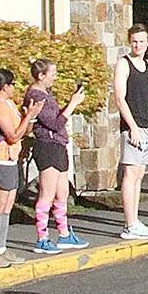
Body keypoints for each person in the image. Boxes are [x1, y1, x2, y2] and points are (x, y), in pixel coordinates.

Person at [23, 59, 88, 254]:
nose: (55, 77)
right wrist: (72, 104)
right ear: (41, 76)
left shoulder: (46, 93)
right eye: (52, 74)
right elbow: (54, 124)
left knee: (62, 192)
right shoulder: (36, 96)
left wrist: (70, 103)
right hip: (47, 146)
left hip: (59, 144)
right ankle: (42, 238)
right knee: (47, 194)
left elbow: (56, 119)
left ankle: (64, 233)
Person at [113, 23, 148, 240]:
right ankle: (129, 224)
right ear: (129, 42)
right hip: (133, 127)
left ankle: (135, 220)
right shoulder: (124, 64)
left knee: (140, 174)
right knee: (130, 173)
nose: (138, 45)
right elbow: (120, 98)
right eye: (134, 41)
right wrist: (132, 127)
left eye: (141, 41)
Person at [0, 69, 42, 267]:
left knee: (7, 205)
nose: (15, 87)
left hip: (11, 158)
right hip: (0, 158)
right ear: (4, 86)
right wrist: (28, 116)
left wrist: (30, 117)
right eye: (12, 84)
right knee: (0, 206)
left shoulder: (9, 104)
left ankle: (1, 248)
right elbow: (13, 136)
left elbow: (23, 131)